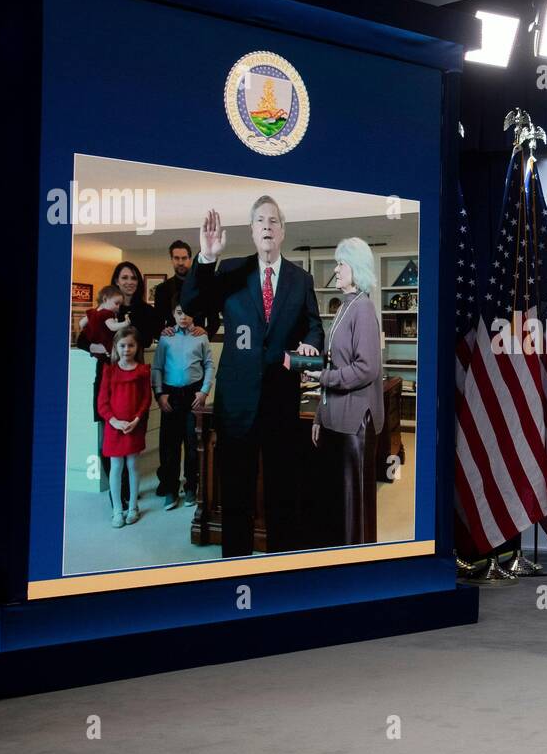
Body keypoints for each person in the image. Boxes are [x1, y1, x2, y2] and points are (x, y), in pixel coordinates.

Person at [181, 196, 323, 557]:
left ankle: (280, 569)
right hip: (237, 405)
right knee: (236, 495)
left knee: (282, 492)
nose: (267, 227)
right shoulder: (229, 271)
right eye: (260, 221)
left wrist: (309, 344)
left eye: (274, 221)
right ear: (251, 230)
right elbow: (193, 306)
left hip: (280, 402)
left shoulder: (301, 279)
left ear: (283, 230)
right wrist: (207, 258)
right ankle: (236, 567)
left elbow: (314, 327)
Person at [309, 237, 383, 546]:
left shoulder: (363, 307)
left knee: (356, 502)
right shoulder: (345, 306)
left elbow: (366, 368)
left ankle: (357, 566)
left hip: (356, 424)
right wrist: (318, 415)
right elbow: (334, 362)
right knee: (338, 502)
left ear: (356, 267)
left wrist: (324, 378)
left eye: (341, 263)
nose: (336, 270)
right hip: (336, 417)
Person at [76, 261, 161, 510]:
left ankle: (129, 493)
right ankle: (119, 495)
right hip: (107, 375)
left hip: (135, 376)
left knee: (133, 435)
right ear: (116, 280)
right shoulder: (103, 309)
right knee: (109, 434)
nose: (129, 282)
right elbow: (83, 339)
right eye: (124, 277)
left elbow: (148, 337)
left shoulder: (143, 310)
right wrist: (95, 347)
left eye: (134, 277)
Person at [152, 304, 214, 509]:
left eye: (187, 313)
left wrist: (204, 391)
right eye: (179, 313)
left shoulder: (201, 336)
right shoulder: (166, 337)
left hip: (193, 394)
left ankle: (191, 486)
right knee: (170, 445)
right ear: (173, 314)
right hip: (170, 395)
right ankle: (170, 488)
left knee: (192, 444)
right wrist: (160, 394)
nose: (183, 317)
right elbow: (157, 367)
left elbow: (208, 365)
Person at [97, 326, 152, 527]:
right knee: (116, 467)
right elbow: (102, 402)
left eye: (131, 345)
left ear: (137, 347)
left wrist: (136, 420)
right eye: (122, 345)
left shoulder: (142, 371)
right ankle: (117, 509)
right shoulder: (109, 371)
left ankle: (133, 507)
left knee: (133, 466)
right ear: (116, 347)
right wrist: (114, 421)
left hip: (134, 426)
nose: (126, 349)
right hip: (114, 427)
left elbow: (146, 399)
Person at [153, 239, 219, 339]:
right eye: (176, 258)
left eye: (184, 258)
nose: (180, 262)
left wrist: (206, 332)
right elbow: (157, 322)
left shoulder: (204, 286)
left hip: (197, 342)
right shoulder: (162, 289)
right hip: (171, 343)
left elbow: (214, 320)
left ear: (190, 259)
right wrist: (162, 332)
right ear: (171, 260)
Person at [81, 285, 129, 358]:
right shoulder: (107, 313)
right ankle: (103, 350)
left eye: (120, 304)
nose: (118, 307)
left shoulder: (92, 311)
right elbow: (112, 327)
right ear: (105, 299)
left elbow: (81, 323)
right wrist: (125, 323)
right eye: (116, 303)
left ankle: (97, 349)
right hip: (104, 340)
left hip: (92, 339)